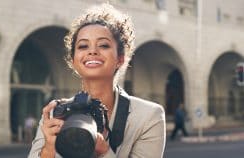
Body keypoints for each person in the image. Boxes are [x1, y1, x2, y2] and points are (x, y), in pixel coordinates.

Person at [28, 3, 166, 158]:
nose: (92, 51)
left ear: (120, 59)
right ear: (73, 61)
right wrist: (49, 148)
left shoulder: (148, 116)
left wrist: (104, 151)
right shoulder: (55, 113)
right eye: (83, 46)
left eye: (103, 45)